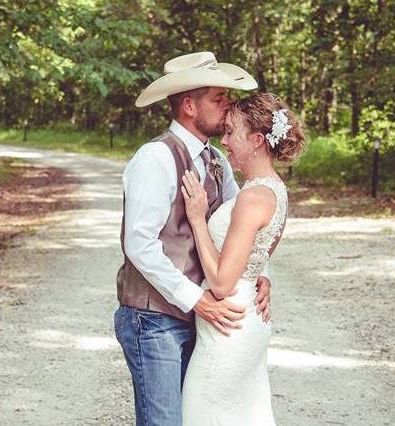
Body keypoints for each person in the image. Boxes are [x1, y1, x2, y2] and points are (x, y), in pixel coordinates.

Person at [114, 51, 273, 426]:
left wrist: (262, 274)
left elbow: (242, 230)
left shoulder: (216, 160)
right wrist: (196, 299)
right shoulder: (155, 157)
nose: (228, 108)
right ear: (188, 104)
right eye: (219, 99)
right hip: (152, 319)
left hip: (196, 319)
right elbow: (139, 244)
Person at [180, 92, 306, 425]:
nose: (224, 141)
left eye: (231, 132)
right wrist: (263, 278)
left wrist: (196, 219)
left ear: (257, 139)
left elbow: (222, 283)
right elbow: (257, 257)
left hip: (228, 327)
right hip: (244, 318)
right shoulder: (274, 189)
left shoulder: (252, 198)